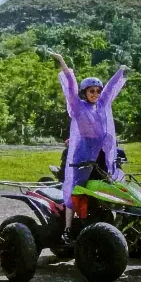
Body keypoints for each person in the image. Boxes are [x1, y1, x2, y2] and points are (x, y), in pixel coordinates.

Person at [48, 51, 127, 245]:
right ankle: (67, 228)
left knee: (106, 187)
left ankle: (106, 223)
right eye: (91, 91)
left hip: (101, 154)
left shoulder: (101, 105)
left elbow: (110, 90)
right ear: (85, 92)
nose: (96, 94)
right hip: (83, 153)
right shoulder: (77, 107)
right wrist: (63, 63)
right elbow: (70, 87)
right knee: (76, 190)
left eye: (97, 91)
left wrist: (120, 72)